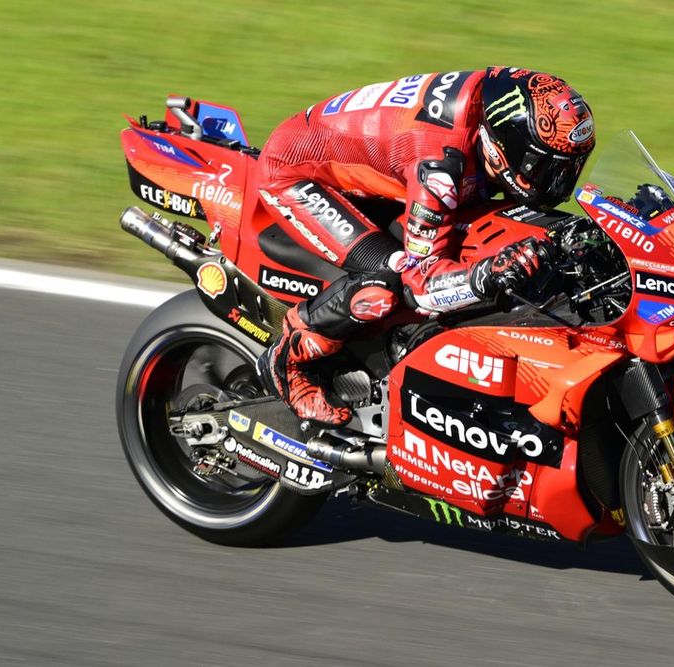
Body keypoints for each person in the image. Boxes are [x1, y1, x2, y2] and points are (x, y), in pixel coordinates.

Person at [255, 67, 596, 425]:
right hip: (293, 175)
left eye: (571, 168)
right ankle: (288, 358)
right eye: (543, 167)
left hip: (385, 165)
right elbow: (420, 284)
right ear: (500, 148)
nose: (558, 185)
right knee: (389, 278)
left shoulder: (518, 92)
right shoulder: (439, 165)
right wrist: (485, 275)